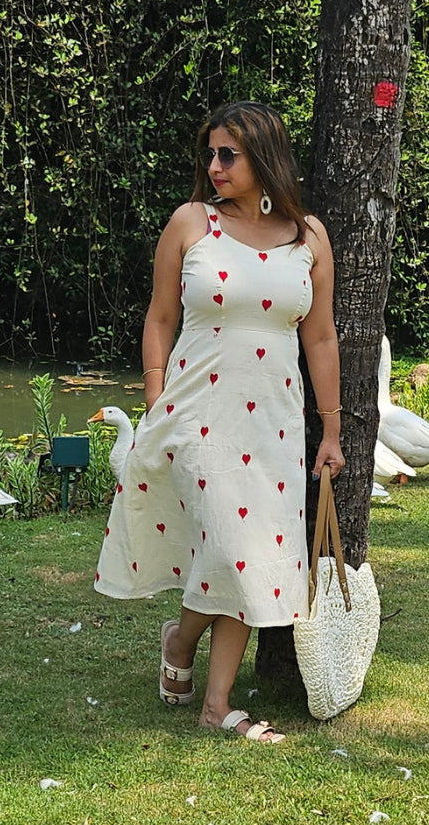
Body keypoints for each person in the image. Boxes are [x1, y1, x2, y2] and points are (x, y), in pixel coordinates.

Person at [94, 101, 344, 743]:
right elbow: (158, 318)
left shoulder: (308, 236)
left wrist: (333, 429)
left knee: (251, 555)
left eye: (227, 154)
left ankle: (197, 669)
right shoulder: (191, 224)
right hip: (197, 412)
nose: (214, 166)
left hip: (276, 423)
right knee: (230, 547)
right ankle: (198, 674)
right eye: (209, 153)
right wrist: (155, 399)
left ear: (264, 156)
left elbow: (320, 339)